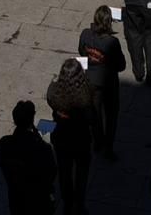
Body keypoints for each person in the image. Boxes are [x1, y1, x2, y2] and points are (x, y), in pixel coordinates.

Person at [45, 58, 95, 215]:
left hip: (60, 137)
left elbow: (49, 98)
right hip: (81, 140)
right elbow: (91, 118)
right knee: (82, 172)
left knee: (64, 171)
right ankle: (79, 204)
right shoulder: (86, 96)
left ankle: (67, 202)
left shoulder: (54, 92)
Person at [78, 7, 126, 162]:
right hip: (108, 83)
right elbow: (121, 65)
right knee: (111, 116)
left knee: (95, 113)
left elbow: (81, 51)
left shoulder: (85, 34)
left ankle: (98, 142)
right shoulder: (112, 42)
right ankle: (108, 148)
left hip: (90, 80)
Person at [0, 99, 57, 215]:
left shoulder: (4, 144)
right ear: (32, 118)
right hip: (39, 202)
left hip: (17, 201)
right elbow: (51, 173)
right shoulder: (43, 149)